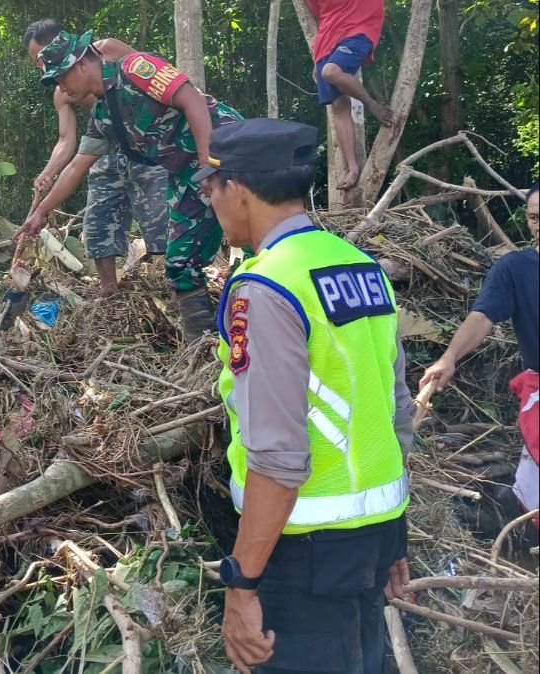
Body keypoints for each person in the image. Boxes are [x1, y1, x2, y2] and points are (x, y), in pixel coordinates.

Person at [201, 118, 412, 674]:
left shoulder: (266, 286)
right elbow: (393, 408)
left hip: (304, 547)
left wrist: (242, 583)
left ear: (238, 188)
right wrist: (394, 537)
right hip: (374, 535)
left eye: (210, 186)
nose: (209, 200)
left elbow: (276, 455)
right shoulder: (361, 267)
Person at [18, 29, 243, 339]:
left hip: (226, 150)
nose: (63, 88)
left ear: (82, 65)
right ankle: (201, 351)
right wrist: (41, 213)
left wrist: (209, 165)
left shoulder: (135, 68)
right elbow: (76, 167)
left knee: (256, 238)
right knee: (179, 265)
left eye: (62, 78)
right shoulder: (102, 117)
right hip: (187, 175)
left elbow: (192, 101)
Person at [23, 19, 168, 297]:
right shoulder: (61, 92)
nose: (39, 65)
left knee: (160, 212)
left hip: (143, 142)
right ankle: (108, 291)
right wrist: (48, 174)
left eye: (39, 57)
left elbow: (149, 85)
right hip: (101, 147)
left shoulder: (109, 51)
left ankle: (177, 285)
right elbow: (68, 143)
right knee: (99, 216)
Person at [421, 185, 540, 524]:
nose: (539, 225)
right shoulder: (515, 269)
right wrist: (449, 357)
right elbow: (483, 316)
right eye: (534, 218)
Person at [306, 0, 396, 191]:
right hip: (325, 43)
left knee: (331, 71)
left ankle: (372, 105)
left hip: (357, 31)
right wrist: (316, 60)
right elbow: (319, 16)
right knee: (339, 105)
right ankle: (353, 169)